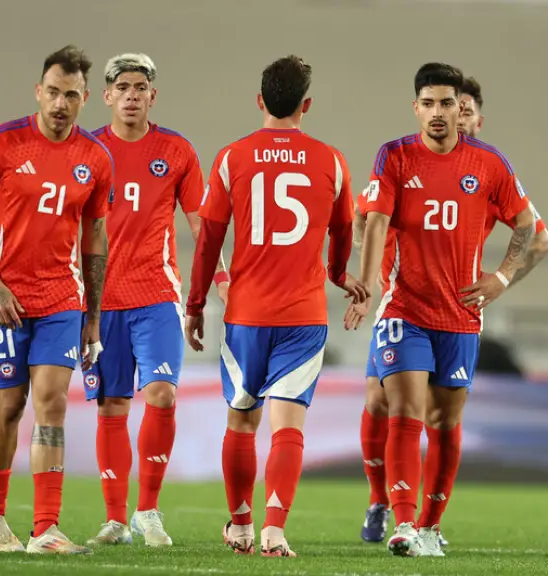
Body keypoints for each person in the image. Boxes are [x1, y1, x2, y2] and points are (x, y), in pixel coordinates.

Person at [354, 75, 548, 547]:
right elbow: (366, 214)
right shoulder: (397, 157)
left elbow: (537, 237)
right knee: (391, 405)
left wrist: (501, 278)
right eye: (434, 104)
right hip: (401, 305)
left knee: (442, 419)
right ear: (418, 108)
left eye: (457, 108)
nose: (449, 115)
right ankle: (391, 508)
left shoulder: (490, 167)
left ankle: (429, 525)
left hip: (459, 314)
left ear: (474, 117)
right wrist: (372, 269)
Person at [184, 55, 368, 557]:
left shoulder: (232, 157)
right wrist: (336, 275)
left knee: (241, 418)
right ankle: (274, 531)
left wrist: (196, 303)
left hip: (246, 313)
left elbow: (208, 241)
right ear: (306, 105)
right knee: (288, 427)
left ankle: (240, 526)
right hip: (303, 316)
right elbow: (344, 231)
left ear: (260, 101)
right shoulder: (330, 160)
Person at [0, 45, 112, 555]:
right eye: (53, 92)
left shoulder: (94, 158)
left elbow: (95, 238)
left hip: (62, 299)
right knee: (9, 406)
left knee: (50, 403)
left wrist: (92, 315)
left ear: (85, 98)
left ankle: (45, 528)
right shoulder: (2, 143)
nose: (60, 103)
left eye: (71, 95)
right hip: (4, 301)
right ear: (38, 92)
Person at [83, 52, 228, 548]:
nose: (130, 95)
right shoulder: (86, 150)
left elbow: (200, 225)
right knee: (111, 406)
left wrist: (218, 279)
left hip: (156, 295)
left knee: (162, 393)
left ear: (152, 95)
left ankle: (147, 511)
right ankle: (114, 518)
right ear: (105, 96)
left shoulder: (177, 151)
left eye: (139, 87)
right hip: (100, 303)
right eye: (121, 87)